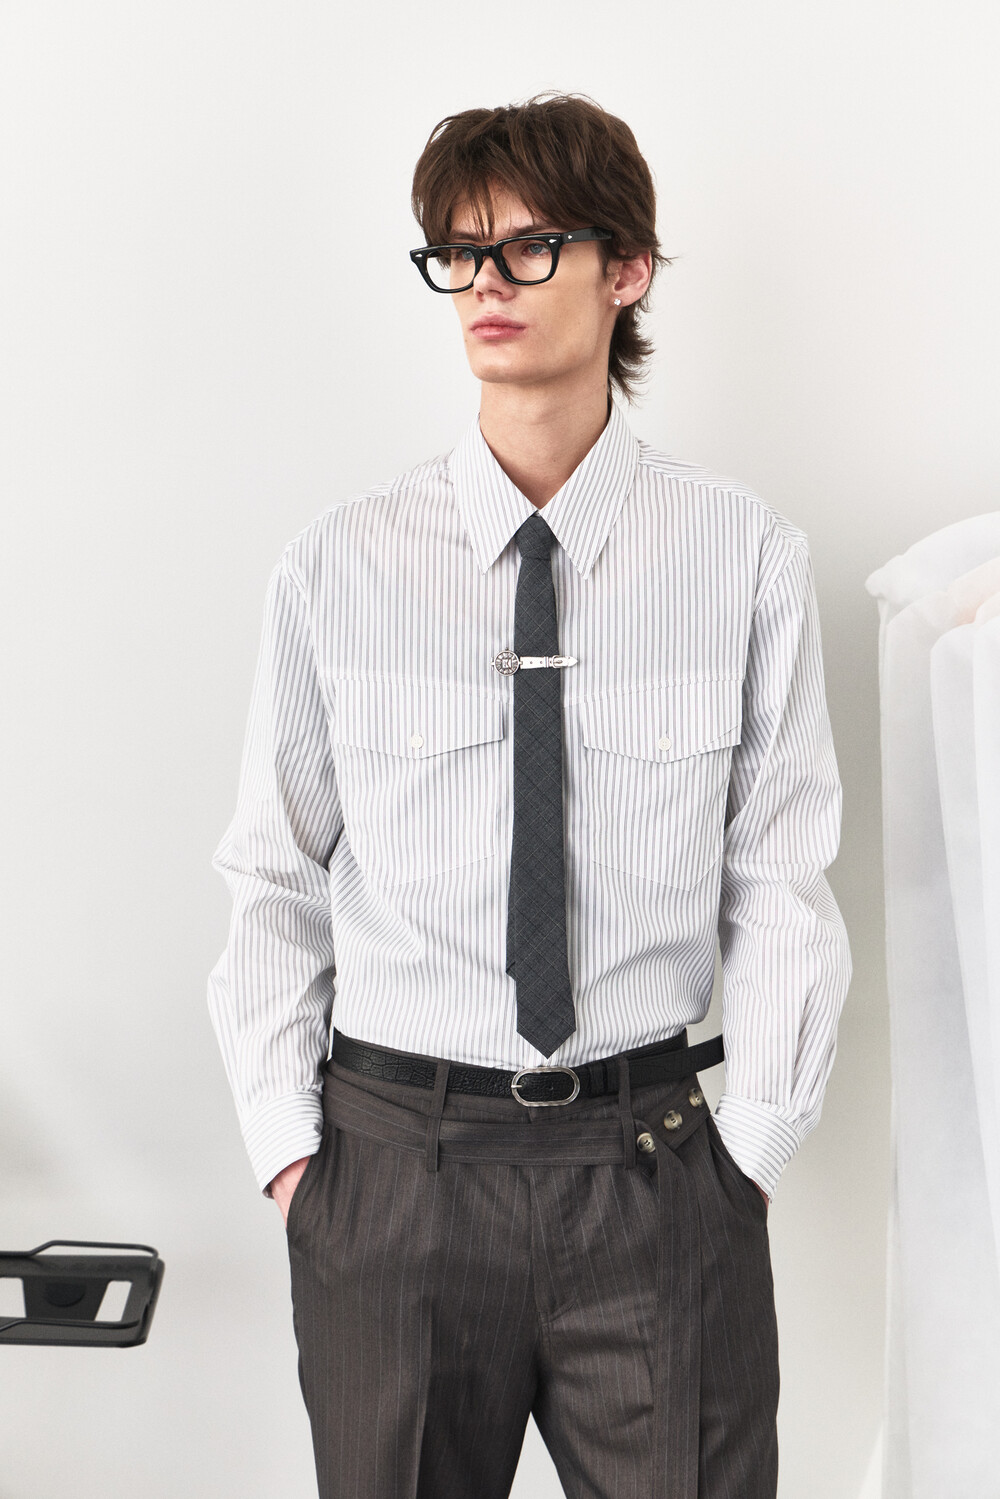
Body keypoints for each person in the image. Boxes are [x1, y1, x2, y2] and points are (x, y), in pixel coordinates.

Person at [207, 91, 852, 1499]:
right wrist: (294, 1162)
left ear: (628, 269)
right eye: (458, 252)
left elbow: (780, 878)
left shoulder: (742, 558)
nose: (486, 282)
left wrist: (747, 1153)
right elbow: (273, 877)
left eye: (529, 246)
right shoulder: (340, 567)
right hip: (394, 1174)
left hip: (656, 1176)